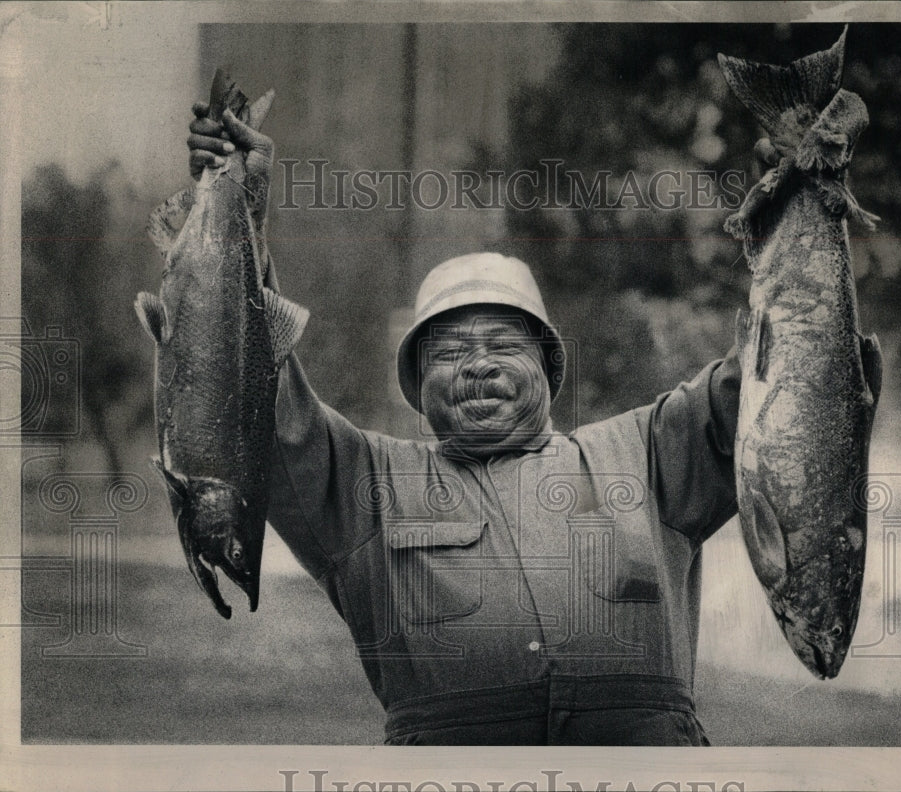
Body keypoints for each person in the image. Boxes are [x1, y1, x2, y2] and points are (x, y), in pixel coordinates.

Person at [187, 99, 741, 746]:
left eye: (504, 345)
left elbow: (770, 384)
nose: (478, 366)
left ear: (547, 363)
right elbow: (253, 394)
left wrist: (805, 195)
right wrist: (239, 211)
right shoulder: (365, 482)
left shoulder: (647, 451)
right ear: (420, 385)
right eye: (449, 353)